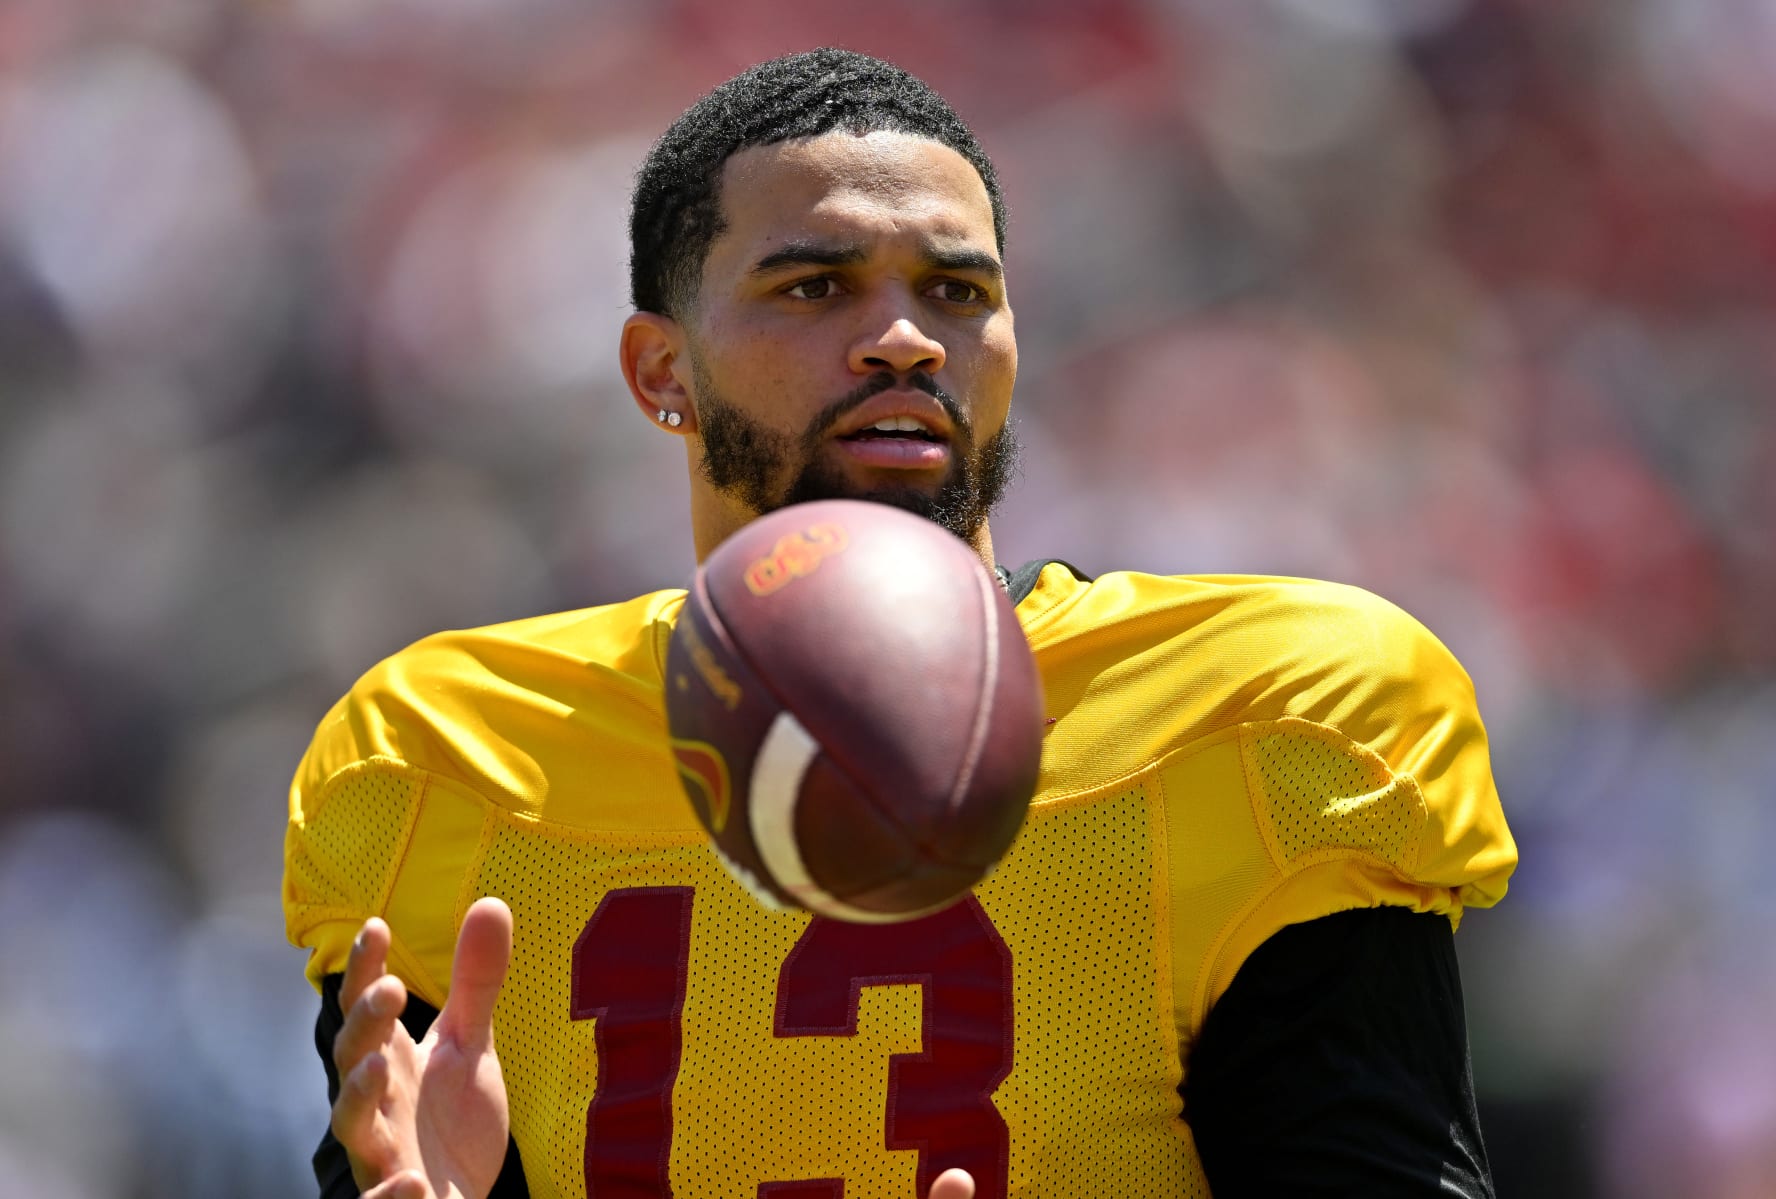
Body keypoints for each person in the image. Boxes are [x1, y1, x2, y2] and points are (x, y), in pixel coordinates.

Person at [285, 49, 1517, 1198]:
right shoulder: (449, 756)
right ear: (663, 371)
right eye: (815, 286)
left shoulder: (1263, 714)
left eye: (955, 289)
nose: (903, 341)